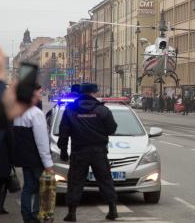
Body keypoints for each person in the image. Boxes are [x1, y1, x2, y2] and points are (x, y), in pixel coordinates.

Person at [58, 83, 118, 222]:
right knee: (105, 180)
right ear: (94, 93)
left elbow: (63, 132)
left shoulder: (70, 109)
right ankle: (112, 209)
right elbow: (112, 129)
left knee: (75, 182)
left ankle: (71, 213)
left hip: (79, 151)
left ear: (81, 93)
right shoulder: (102, 110)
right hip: (99, 151)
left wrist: (63, 150)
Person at [12, 84, 54, 223]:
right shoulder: (36, 113)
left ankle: (26, 215)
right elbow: (42, 141)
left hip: (24, 157)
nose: (41, 96)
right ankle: (37, 214)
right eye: (39, 93)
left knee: (28, 187)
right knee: (41, 188)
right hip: (36, 158)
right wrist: (48, 164)